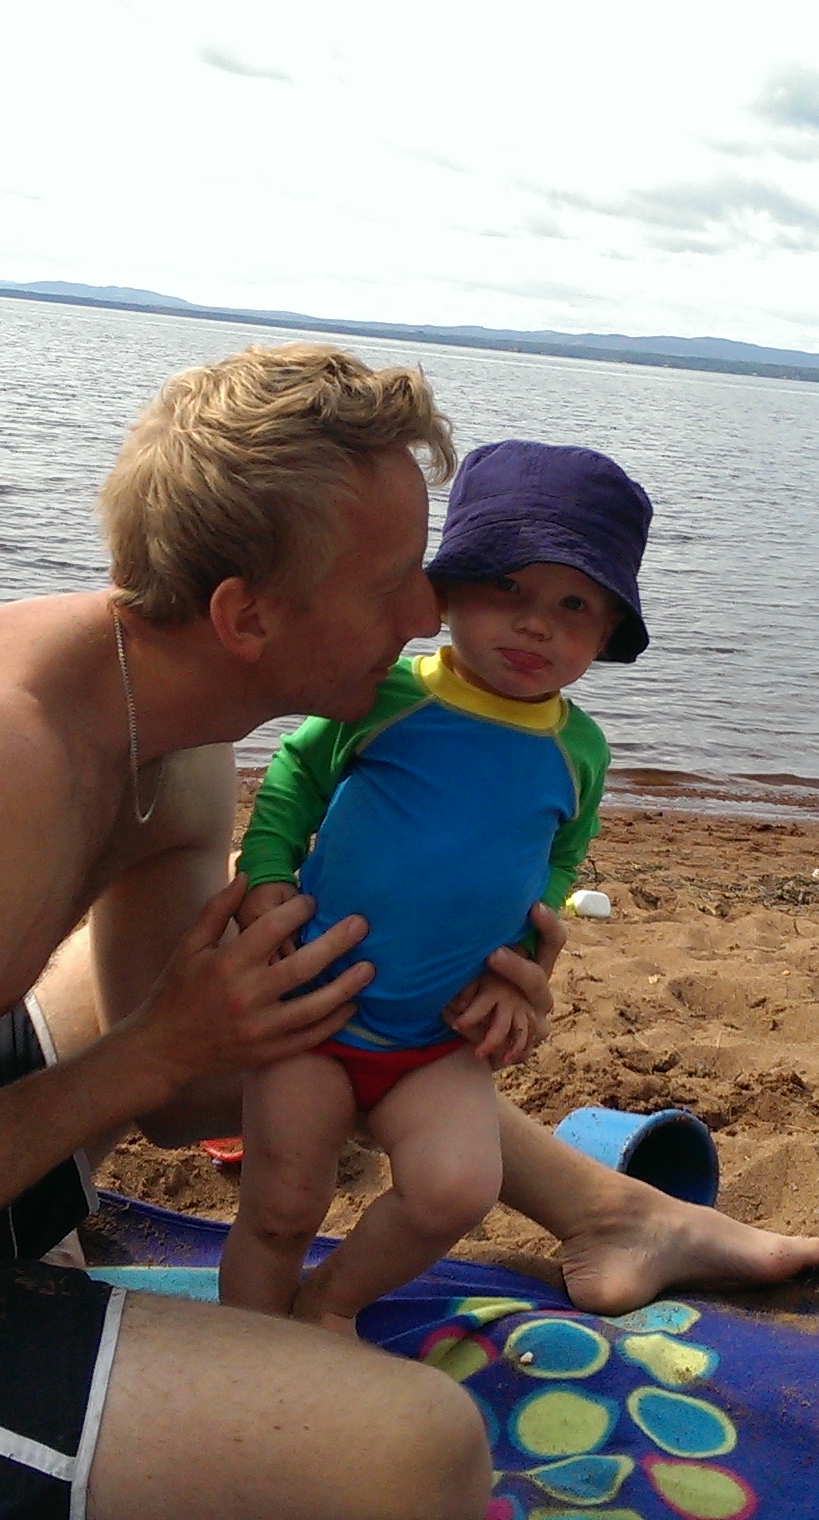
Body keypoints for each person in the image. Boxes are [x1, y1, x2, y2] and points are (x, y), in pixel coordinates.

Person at [0, 343, 819, 1520]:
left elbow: (188, 1099)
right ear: (247, 615)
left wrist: (439, 984)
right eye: (389, 580)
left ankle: (607, 1208)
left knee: (257, 976)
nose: (429, 608)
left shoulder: (170, 726)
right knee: (420, 1446)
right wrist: (153, 1047)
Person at [222, 441, 650, 1331]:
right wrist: (264, 871)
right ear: (446, 593)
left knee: (457, 1189)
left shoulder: (578, 750)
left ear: (607, 630)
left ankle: (331, 1307)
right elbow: (294, 777)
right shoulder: (391, 696)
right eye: (507, 588)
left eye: (573, 605)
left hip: (439, 1035)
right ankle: (250, 1343)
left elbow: (560, 858)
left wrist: (519, 963)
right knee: (283, 1204)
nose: (535, 625)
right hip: (313, 1009)